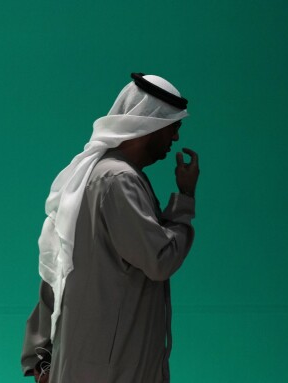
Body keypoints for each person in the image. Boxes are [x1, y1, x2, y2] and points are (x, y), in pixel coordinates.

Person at [21, 73, 199, 383]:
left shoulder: (91, 174)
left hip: (86, 361)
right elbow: (160, 260)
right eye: (173, 127)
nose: (175, 139)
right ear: (151, 124)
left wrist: (40, 354)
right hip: (114, 367)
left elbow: (56, 267)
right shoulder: (119, 180)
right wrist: (185, 200)